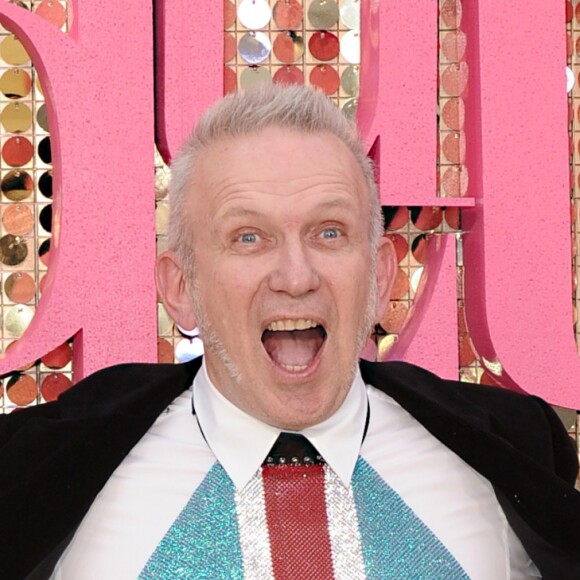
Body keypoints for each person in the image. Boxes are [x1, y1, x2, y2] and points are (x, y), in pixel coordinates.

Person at [1, 84, 579, 580]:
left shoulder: (508, 458)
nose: (296, 277)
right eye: (248, 237)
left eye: (329, 233)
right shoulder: (34, 479)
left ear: (379, 275)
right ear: (182, 288)